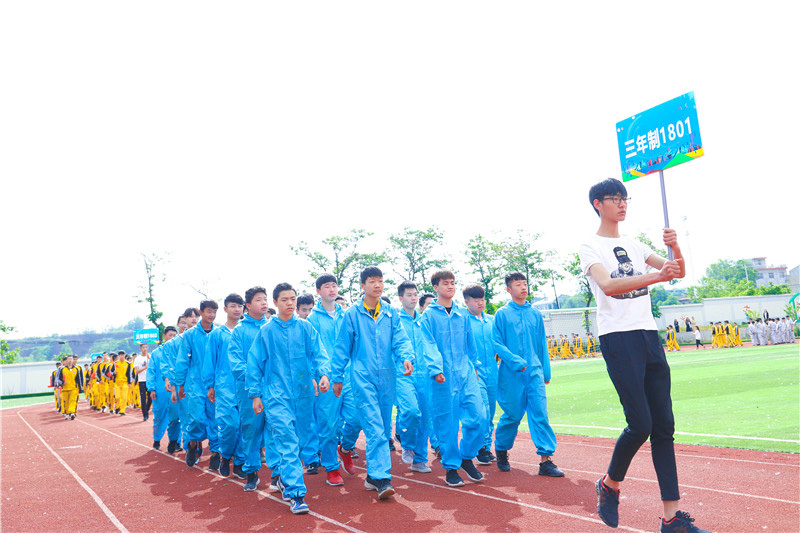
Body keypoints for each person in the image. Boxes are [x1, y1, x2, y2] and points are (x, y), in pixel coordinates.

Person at [579, 178, 709, 532]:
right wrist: (655, 277)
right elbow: (608, 285)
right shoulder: (590, 246)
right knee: (641, 424)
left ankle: (672, 518)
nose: (622, 204)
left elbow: (676, 272)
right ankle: (609, 484)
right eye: (614, 198)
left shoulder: (635, 244)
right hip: (618, 338)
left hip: (648, 335)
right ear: (597, 204)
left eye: (625, 198)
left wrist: (675, 246)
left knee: (664, 427)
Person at [247, 283, 331, 515]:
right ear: (275, 302)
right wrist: (255, 395)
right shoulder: (266, 331)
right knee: (287, 440)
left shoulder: (305, 328)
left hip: (303, 394)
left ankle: (284, 477)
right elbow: (254, 363)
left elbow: (319, 353)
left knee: (302, 440)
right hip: (276, 396)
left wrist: (324, 374)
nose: (290, 303)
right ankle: (296, 493)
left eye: (293, 298)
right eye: (284, 299)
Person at [332, 266, 415, 500]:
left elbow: (400, 339)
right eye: (372, 281)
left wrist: (406, 357)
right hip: (362, 376)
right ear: (363, 286)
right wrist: (337, 376)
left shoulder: (390, 312)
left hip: (387, 376)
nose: (377, 285)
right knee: (375, 427)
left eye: (380, 281)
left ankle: (370, 476)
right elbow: (342, 347)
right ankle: (381, 478)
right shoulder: (352, 314)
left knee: (384, 427)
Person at [419, 269, 486, 488]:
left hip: (466, 373)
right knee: (446, 424)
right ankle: (451, 467)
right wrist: (436, 368)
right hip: (442, 377)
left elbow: (470, 343)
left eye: (452, 283)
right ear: (435, 287)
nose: (450, 286)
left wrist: (475, 366)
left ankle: (466, 456)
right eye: (445, 283)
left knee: (479, 418)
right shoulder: (428, 316)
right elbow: (428, 344)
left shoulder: (462, 314)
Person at [492, 272, 563, 477]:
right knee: (513, 415)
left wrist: (545, 371)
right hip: (511, 374)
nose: (523, 287)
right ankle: (502, 449)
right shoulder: (502, 314)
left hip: (534, 372)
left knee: (540, 413)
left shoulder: (535, 314)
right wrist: (514, 361)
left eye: (524, 283)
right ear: (509, 289)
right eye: (518, 284)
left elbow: (541, 343)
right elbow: (496, 343)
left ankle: (546, 460)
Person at [228, 287, 273, 490]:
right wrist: (255, 377)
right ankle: (252, 472)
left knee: (275, 428)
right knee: (251, 429)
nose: (263, 303)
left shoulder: (272, 327)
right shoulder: (240, 331)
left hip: (273, 387)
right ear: (248, 305)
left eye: (265, 299)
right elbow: (236, 362)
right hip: (248, 388)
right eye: (258, 300)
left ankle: (277, 473)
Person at [306, 274, 346, 486]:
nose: (332, 289)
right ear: (318, 291)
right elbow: (311, 352)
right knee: (328, 424)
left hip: (350, 376)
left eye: (334, 285)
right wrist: (317, 376)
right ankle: (331, 467)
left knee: (357, 417)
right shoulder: (312, 320)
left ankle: (346, 447)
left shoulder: (347, 315)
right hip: (327, 379)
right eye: (327, 286)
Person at [204, 293, 245, 477]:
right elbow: (210, 361)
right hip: (224, 386)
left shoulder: (245, 330)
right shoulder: (217, 334)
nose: (237, 309)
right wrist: (210, 385)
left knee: (244, 426)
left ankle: (240, 462)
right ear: (226, 309)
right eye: (233, 306)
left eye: (240, 306)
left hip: (245, 385)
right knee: (230, 425)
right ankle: (226, 455)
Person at [395, 280, 434, 473]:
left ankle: (419, 460)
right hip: (402, 373)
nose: (413, 298)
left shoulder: (424, 321)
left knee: (425, 417)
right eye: (409, 295)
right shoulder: (395, 321)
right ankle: (407, 444)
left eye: (415, 294)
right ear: (400, 298)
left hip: (424, 374)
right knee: (411, 411)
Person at [174, 300, 218, 469]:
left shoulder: (219, 333)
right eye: (208, 311)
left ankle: (215, 454)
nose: (211, 315)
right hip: (195, 384)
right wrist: (180, 383)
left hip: (216, 384)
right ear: (201, 312)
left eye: (214, 312)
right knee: (196, 419)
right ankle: (192, 444)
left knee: (215, 421)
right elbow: (182, 360)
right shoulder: (190, 335)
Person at [463, 284, 498, 466]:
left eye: (482, 299)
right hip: (474, 372)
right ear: (466, 302)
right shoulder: (463, 321)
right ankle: (479, 448)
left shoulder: (491, 320)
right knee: (482, 410)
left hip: (493, 371)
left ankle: (486, 446)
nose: (480, 303)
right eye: (476, 300)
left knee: (490, 411)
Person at [148, 326, 181, 451]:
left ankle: (176, 441)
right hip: (160, 390)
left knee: (176, 416)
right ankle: (157, 439)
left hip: (174, 388)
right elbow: (151, 371)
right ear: (164, 336)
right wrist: (151, 388)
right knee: (159, 415)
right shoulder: (156, 353)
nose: (172, 338)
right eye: (170, 335)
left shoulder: (178, 351)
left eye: (174, 336)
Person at [55, 355, 83, 420]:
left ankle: (72, 412)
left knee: (73, 400)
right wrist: (62, 382)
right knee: (66, 402)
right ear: (67, 360)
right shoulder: (62, 369)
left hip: (73, 388)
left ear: (72, 360)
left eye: (71, 359)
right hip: (65, 389)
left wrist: (80, 388)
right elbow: (58, 379)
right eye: (68, 359)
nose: (70, 360)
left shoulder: (76, 369)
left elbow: (78, 379)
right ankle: (67, 413)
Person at [134, 344, 151, 421]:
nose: (145, 349)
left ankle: (146, 409)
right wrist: (144, 368)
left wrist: (150, 358)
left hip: (149, 380)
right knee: (143, 398)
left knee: (150, 397)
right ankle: (145, 415)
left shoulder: (150, 357)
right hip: (142, 380)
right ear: (141, 348)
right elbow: (137, 371)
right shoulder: (137, 359)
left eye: (146, 347)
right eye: (143, 347)